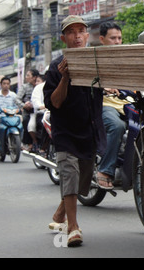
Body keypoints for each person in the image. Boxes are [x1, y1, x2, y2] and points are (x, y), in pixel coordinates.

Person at [44, 15, 106, 247]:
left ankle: (62, 209)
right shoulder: (56, 67)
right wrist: (65, 78)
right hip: (65, 132)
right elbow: (55, 102)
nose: (77, 35)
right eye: (71, 32)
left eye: (81, 31)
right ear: (64, 38)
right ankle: (73, 227)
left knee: (83, 180)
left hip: (89, 129)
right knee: (69, 173)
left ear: (87, 35)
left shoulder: (96, 61)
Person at [96, 21, 127, 190]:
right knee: (116, 126)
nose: (117, 41)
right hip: (105, 105)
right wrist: (103, 87)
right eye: (113, 38)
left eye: (119, 38)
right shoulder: (96, 59)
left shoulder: (127, 58)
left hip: (128, 104)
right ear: (102, 39)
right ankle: (105, 170)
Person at [0, 77, 20, 153]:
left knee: (20, 125)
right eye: (4, 83)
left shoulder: (13, 95)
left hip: (11, 116)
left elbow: (18, 105)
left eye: (8, 84)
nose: (6, 85)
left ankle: (19, 143)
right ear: (1, 85)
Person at [17, 69, 39, 151]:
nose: (26, 77)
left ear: (34, 77)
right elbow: (17, 99)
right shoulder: (24, 87)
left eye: (28, 75)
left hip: (39, 111)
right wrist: (24, 105)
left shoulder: (40, 86)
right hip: (28, 112)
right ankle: (30, 143)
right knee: (26, 120)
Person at [29, 74, 46, 152]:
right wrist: (41, 106)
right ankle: (41, 147)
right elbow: (35, 101)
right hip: (41, 113)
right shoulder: (39, 88)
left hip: (53, 113)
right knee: (41, 125)